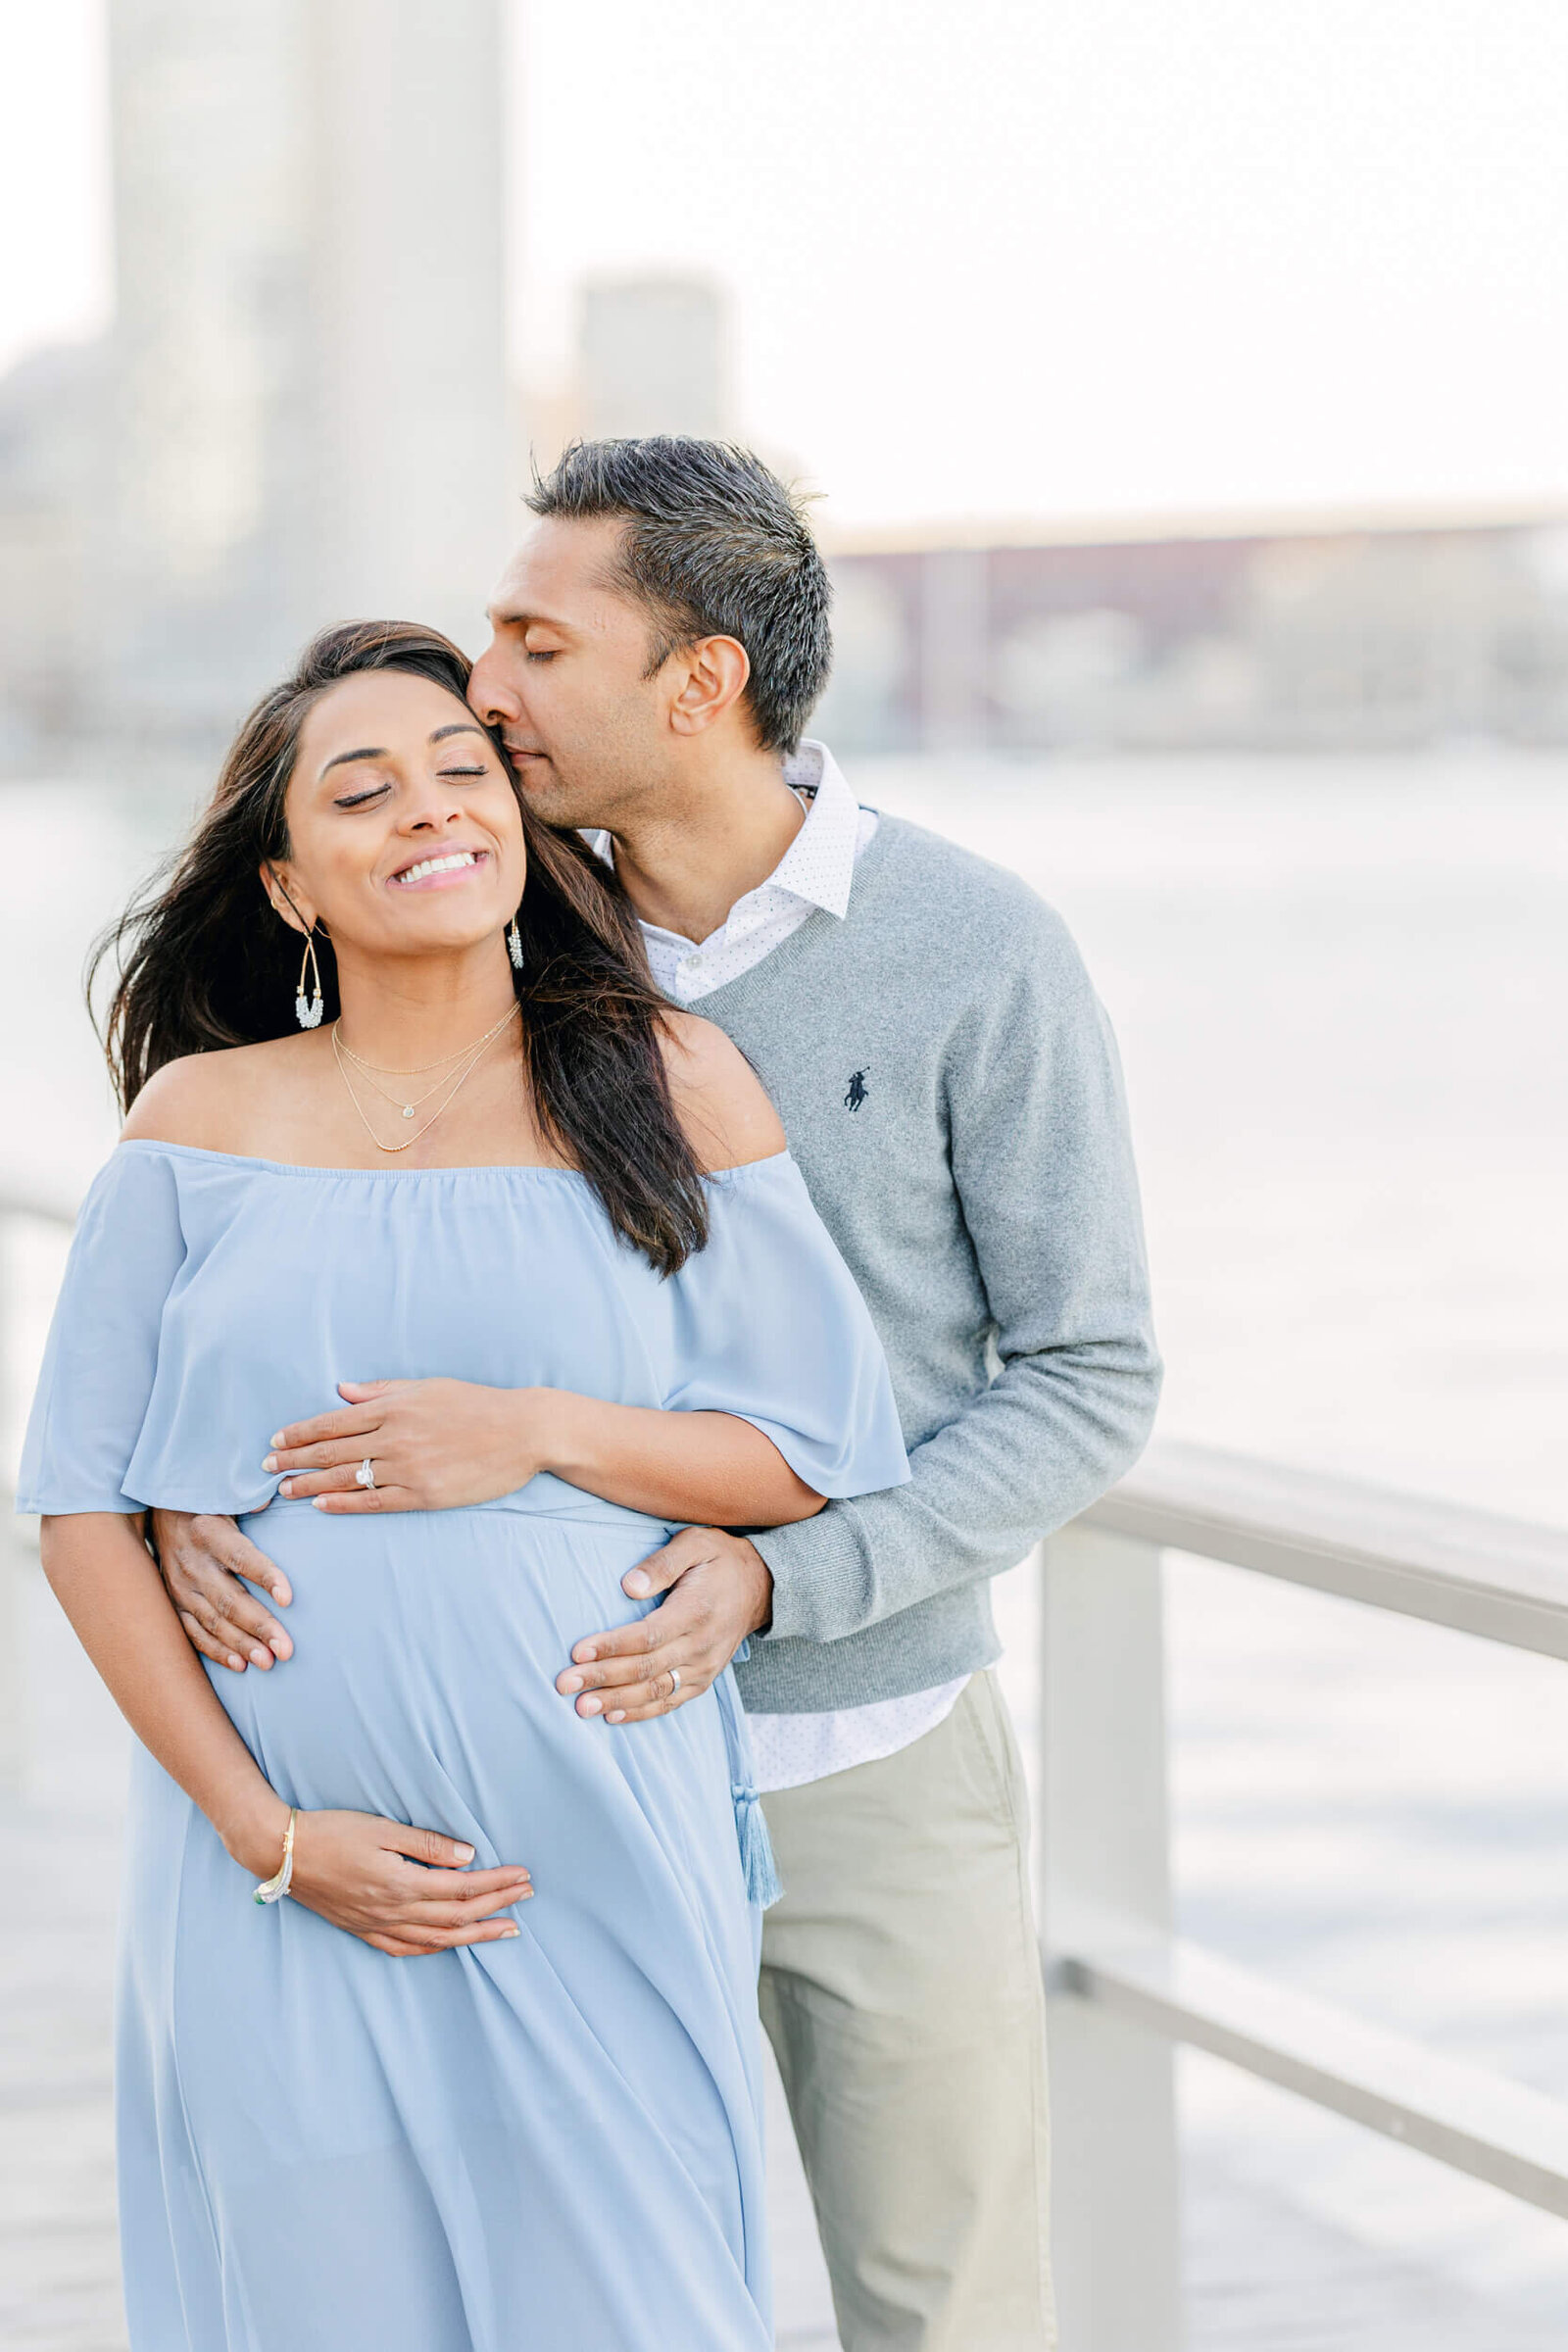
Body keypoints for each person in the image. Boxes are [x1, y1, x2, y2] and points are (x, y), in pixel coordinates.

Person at [154, 441, 1162, 2352]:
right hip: (533, 1761)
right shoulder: (478, 920)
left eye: (538, 642)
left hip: (867, 1757)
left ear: (697, 682)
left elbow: (1088, 1376)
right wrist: (214, 1479)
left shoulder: (973, 953)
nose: (488, 688)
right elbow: (296, 1217)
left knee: (940, 2311)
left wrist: (786, 1581)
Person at [19, 620, 909, 2352]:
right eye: (362, 791)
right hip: (276, 1877)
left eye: (461, 772)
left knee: (637, 2308)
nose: (428, 811)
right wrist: (265, 1836)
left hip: (599, 1846)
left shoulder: (667, 1080)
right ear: (287, 884)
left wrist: (541, 1430)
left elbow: (811, 1451)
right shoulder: (199, 1121)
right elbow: (78, 1516)